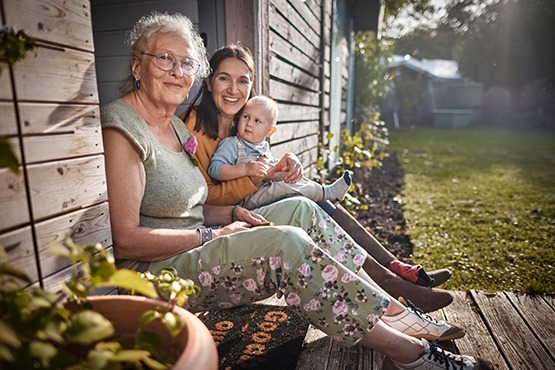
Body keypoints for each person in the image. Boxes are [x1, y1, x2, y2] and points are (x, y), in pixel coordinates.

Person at [101, 11, 493, 370]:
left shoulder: (176, 127)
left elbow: (196, 204)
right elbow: (127, 242)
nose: (177, 71)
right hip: (155, 275)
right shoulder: (125, 129)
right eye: (164, 59)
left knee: (302, 210)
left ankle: (390, 304)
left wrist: (234, 215)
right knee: (286, 243)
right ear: (137, 66)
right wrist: (213, 232)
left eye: (186, 62)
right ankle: (409, 352)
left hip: (197, 244)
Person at [181, 43, 453, 312]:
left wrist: (289, 161)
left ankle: (396, 268)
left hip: (254, 202)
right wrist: (254, 178)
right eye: (223, 78)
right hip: (229, 223)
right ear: (208, 82)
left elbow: (263, 156)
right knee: (308, 205)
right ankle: (391, 285)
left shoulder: (244, 116)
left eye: (243, 81)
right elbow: (203, 200)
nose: (233, 89)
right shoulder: (192, 128)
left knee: (325, 202)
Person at [208, 95, 353, 209]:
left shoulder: (263, 148)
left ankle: (325, 193)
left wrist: (281, 170)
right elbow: (215, 169)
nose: (249, 123)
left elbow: (271, 175)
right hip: (245, 198)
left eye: (257, 121)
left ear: (270, 131)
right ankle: (327, 194)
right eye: (246, 117)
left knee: (291, 178)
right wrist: (245, 169)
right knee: (283, 188)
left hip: (263, 191)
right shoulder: (232, 144)